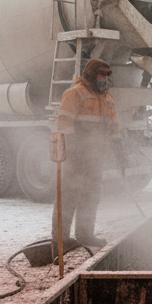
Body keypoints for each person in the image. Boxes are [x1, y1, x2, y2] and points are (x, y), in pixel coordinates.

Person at [51, 57, 123, 250]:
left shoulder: (108, 99)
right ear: (91, 75)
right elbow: (64, 127)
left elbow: (114, 129)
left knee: (91, 196)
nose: (104, 79)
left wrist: (119, 152)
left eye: (107, 76)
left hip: (95, 159)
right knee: (68, 196)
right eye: (101, 75)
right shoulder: (74, 94)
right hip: (75, 159)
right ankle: (60, 240)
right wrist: (74, 154)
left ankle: (85, 235)